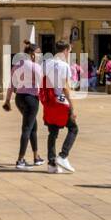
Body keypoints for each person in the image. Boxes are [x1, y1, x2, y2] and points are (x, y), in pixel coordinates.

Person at [1, 40, 44, 170]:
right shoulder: (35, 67)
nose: (40, 55)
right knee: (27, 128)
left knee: (32, 126)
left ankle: (36, 157)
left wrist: (7, 101)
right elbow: (42, 85)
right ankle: (20, 160)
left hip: (19, 98)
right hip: (31, 99)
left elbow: (11, 85)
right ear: (31, 54)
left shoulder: (17, 65)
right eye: (38, 53)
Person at [42, 41, 79, 173]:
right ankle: (63, 156)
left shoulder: (46, 63)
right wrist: (73, 107)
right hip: (61, 103)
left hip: (49, 102)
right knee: (74, 128)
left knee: (52, 133)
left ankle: (51, 164)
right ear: (66, 50)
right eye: (69, 51)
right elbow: (65, 87)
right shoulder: (64, 65)